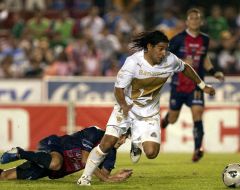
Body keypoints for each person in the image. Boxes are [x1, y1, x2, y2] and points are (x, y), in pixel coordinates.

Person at [77, 30, 216, 186]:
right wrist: (123, 106)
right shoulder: (133, 62)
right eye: (161, 48)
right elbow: (118, 88)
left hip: (149, 112)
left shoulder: (170, 60)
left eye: (166, 49)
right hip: (127, 107)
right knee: (107, 143)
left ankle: (135, 138)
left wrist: (203, 86)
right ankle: (85, 178)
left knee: (151, 153)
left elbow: (186, 68)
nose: (164, 53)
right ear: (149, 47)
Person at [161, 8, 224, 162]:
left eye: (198, 18)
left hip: (197, 84)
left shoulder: (205, 39)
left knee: (197, 113)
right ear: (187, 22)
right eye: (192, 18)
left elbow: (204, 57)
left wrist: (213, 71)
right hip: (178, 84)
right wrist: (182, 60)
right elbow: (166, 57)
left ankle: (197, 149)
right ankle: (168, 118)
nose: (195, 20)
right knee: (174, 118)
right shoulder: (177, 39)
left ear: (201, 21)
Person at [0, 126, 132, 182]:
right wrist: (107, 179)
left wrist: (115, 176)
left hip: (58, 170)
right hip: (57, 147)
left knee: (5, 176)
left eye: (126, 138)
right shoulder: (95, 133)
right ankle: (20, 153)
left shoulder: (111, 154)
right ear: (113, 131)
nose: (123, 141)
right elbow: (86, 160)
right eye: (122, 136)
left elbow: (103, 177)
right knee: (55, 163)